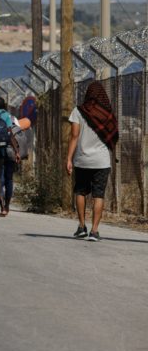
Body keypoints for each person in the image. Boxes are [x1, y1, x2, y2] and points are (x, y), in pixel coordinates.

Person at [66, 82, 118, 242]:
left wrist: (68, 158)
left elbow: (74, 136)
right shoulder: (107, 113)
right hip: (101, 161)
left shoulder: (78, 111)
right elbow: (113, 136)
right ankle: (94, 231)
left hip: (82, 160)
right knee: (98, 195)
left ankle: (82, 226)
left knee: (80, 192)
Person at [0, 96, 19, 217]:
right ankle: (7, 207)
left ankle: (0, 204)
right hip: (9, 151)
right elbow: (12, 134)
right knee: (9, 180)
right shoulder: (11, 117)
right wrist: (17, 151)